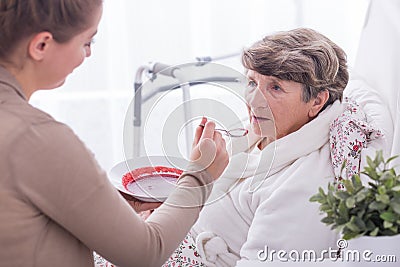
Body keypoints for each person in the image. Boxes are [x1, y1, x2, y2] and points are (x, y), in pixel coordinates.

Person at [0, 1, 228, 266]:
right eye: (87, 42)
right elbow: (145, 253)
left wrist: (100, 208)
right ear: (41, 45)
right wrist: (200, 176)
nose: (88, 55)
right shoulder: (37, 139)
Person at [188, 28, 387, 266]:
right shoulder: (263, 129)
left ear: (317, 101)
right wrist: (192, 180)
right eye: (252, 82)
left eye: (275, 88)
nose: (252, 101)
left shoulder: (303, 186)